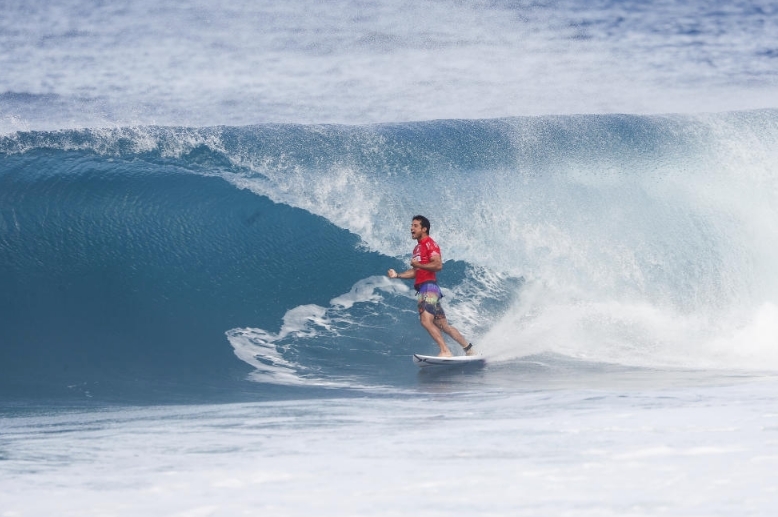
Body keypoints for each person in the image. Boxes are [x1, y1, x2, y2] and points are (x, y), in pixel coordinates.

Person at [387, 215, 476, 357]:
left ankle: (445, 351)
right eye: (411, 225)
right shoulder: (417, 248)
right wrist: (397, 275)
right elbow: (416, 272)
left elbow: (438, 265)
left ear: (424, 229)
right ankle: (469, 349)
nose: (411, 228)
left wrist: (418, 265)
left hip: (428, 287)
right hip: (427, 288)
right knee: (443, 325)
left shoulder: (430, 244)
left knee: (425, 320)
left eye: (415, 226)